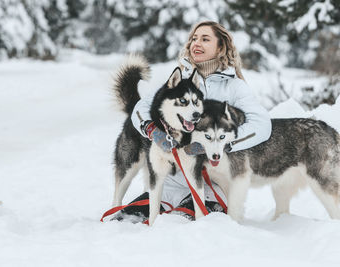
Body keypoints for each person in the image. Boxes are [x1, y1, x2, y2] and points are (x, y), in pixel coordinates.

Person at [113, 21, 272, 223]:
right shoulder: (180, 81)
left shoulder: (233, 87)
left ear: (220, 47)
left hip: (211, 185)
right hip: (172, 183)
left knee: (181, 227)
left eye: (205, 39)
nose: (197, 43)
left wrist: (218, 143)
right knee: (123, 223)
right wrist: (152, 130)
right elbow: (140, 110)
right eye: (194, 38)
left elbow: (262, 125)